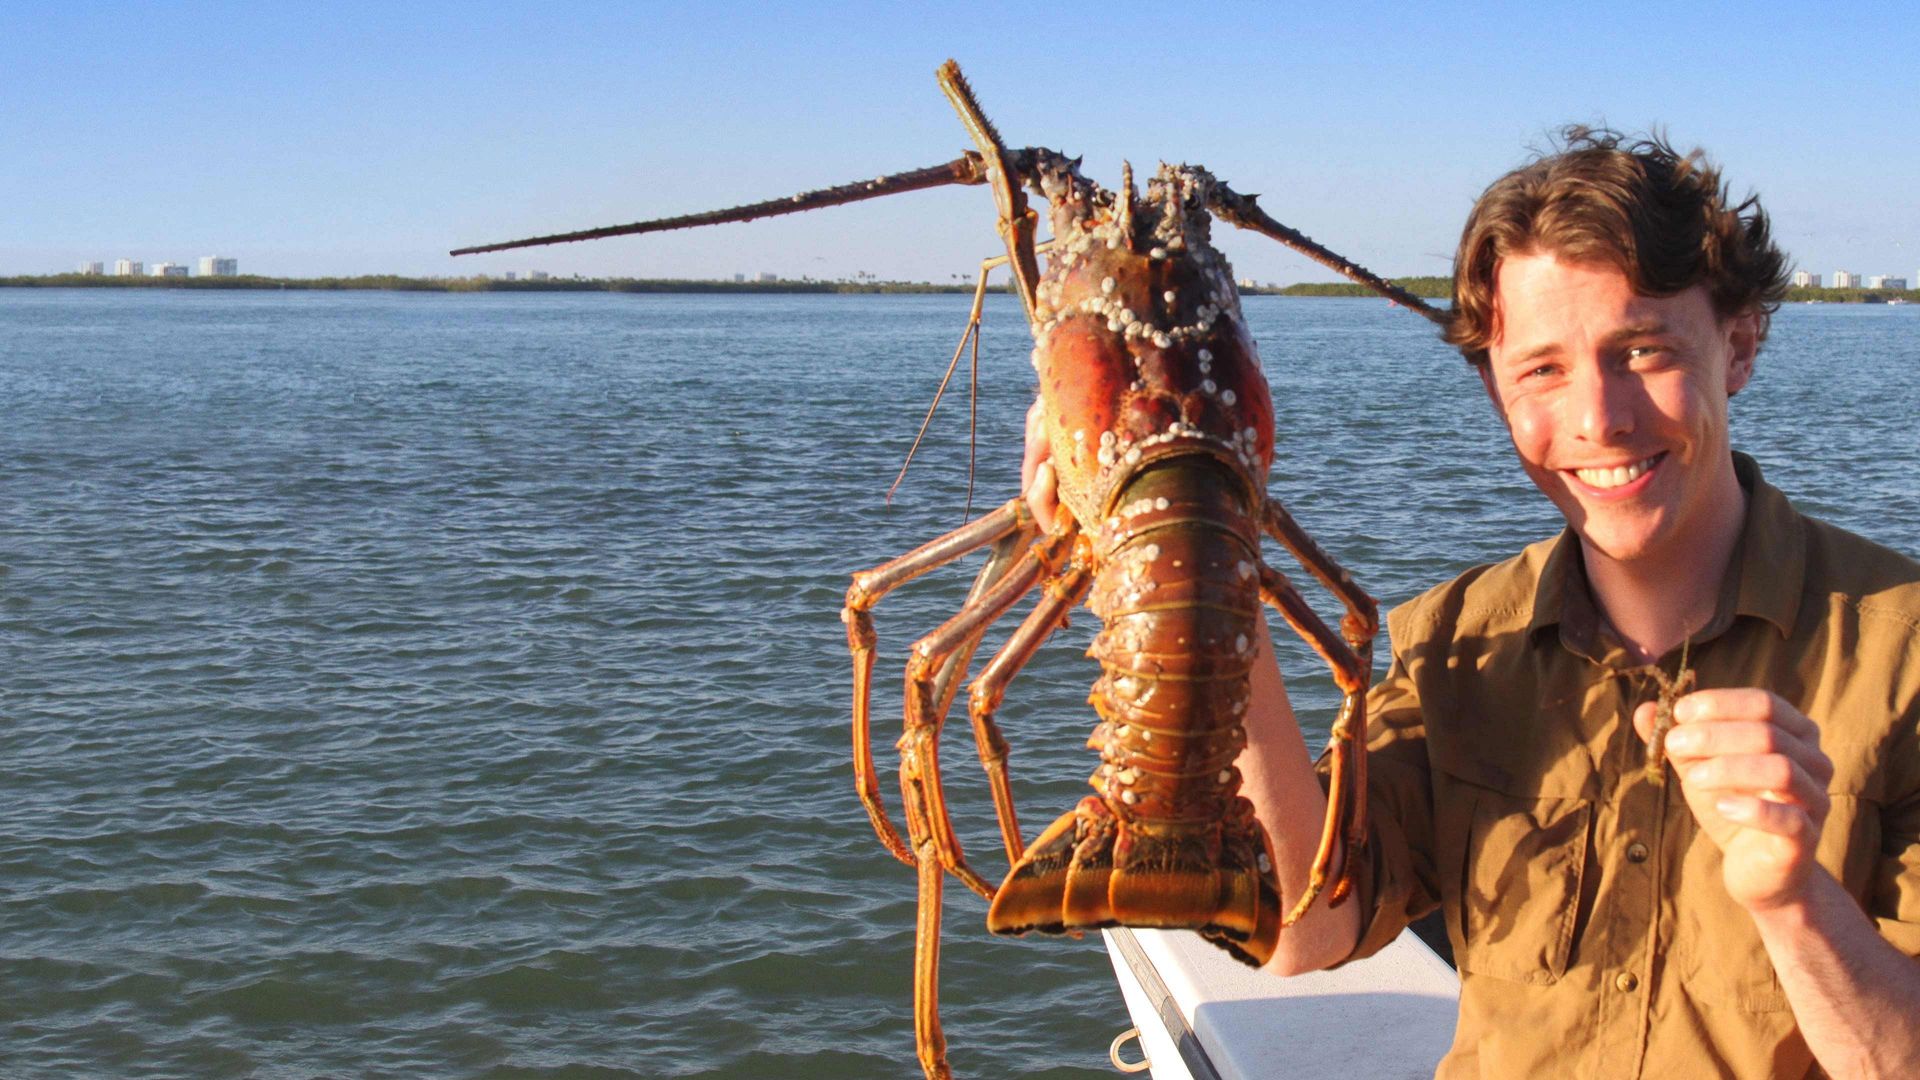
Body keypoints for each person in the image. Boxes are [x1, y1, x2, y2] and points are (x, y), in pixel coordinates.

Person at [1021, 129, 1920, 1077]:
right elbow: (1305, 929)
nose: (1598, 419)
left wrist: (1795, 903)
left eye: (1642, 350)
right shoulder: (1453, 643)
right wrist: (1195, 555)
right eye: (1541, 370)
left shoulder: (1900, 655)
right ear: (1495, 391)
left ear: (1738, 345)